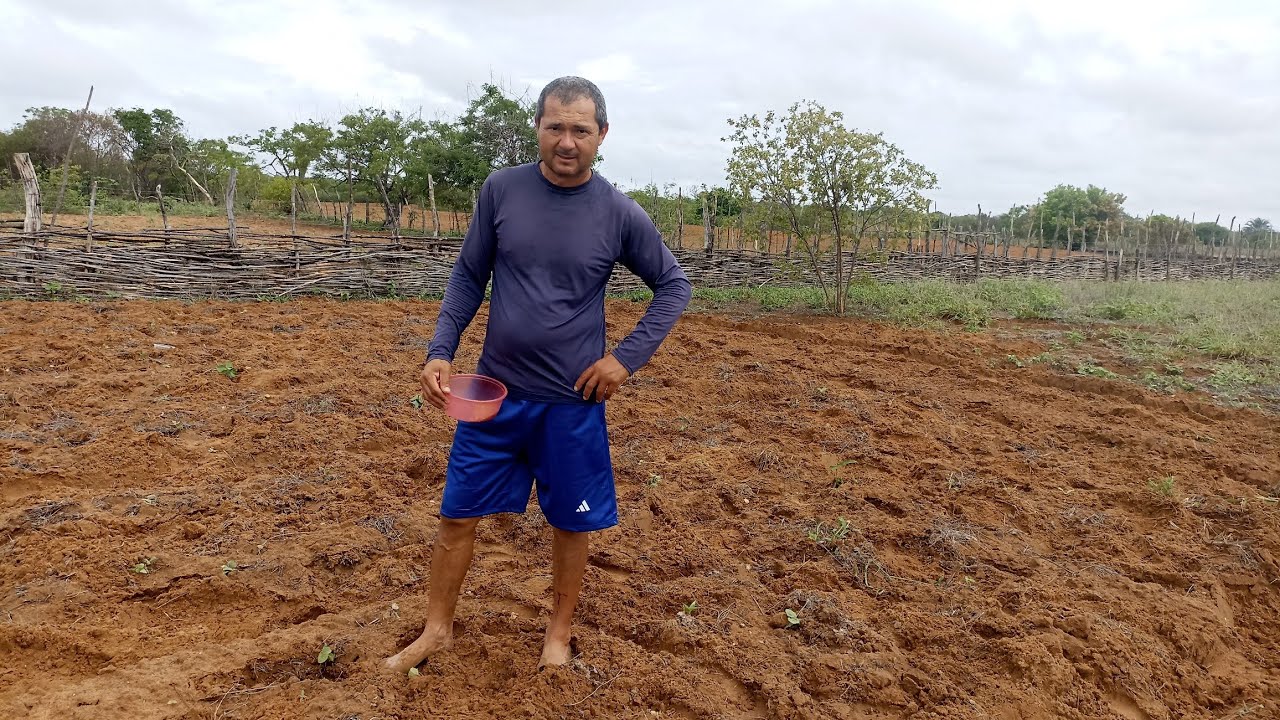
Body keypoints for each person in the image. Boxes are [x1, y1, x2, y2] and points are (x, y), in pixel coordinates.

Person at [384, 76, 692, 674]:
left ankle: (557, 635)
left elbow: (673, 286)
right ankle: (436, 629)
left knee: (570, 523)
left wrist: (624, 359)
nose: (567, 141)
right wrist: (441, 348)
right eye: (556, 127)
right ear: (538, 129)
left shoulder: (618, 212)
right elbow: (469, 276)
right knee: (456, 515)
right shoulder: (502, 191)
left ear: (602, 134)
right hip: (494, 395)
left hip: (571, 404)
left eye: (580, 129)